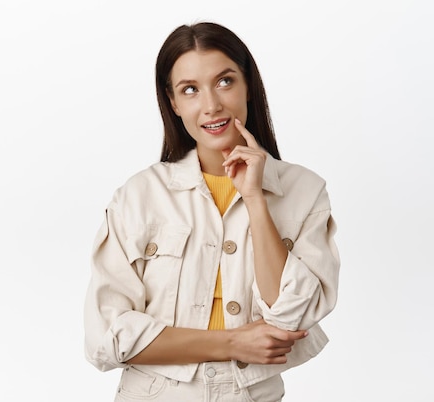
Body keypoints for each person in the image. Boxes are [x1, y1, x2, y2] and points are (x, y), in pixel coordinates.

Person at [84, 21, 340, 402]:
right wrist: (233, 342)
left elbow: (290, 319)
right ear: (173, 102)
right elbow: (106, 338)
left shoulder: (305, 192)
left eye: (224, 81)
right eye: (190, 90)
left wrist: (255, 198)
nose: (211, 105)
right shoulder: (138, 196)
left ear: (247, 85)